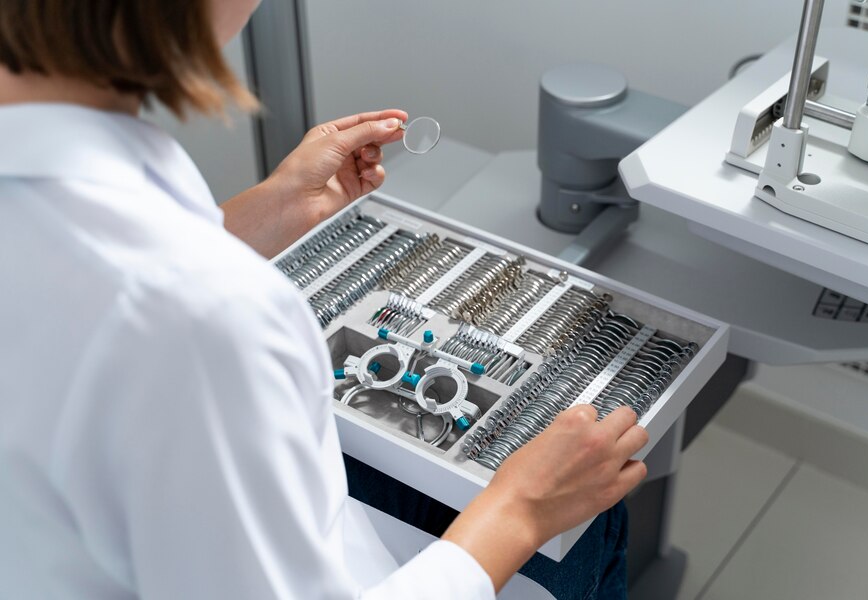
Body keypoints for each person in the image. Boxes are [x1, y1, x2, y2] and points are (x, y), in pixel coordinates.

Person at [0, 1, 649, 598]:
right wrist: (521, 508)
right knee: (589, 527)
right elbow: (161, 307)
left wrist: (264, 212)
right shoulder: (203, 319)